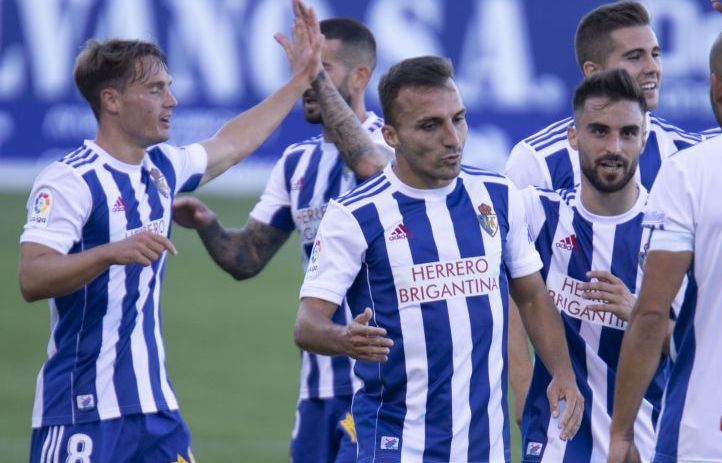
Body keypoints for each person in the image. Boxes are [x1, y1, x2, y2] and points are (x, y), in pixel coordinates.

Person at [17, 2, 322, 461]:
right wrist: (110, 252)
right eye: (156, 89)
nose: (172, 101)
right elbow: (32, 277)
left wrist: (299, 82)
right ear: (112, 100)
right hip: (83, 411)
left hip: (156, 411)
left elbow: (234, 143)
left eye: (170, 88)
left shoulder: (162, 168)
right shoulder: (69, 180)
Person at [293, 55, 584, 463]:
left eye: (458, 119)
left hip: (486, 449)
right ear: (391, 136)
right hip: (396, 446)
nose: (453, 138)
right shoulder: (356, 214)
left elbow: (532, 296)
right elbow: (307, 325)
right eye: (431, 125)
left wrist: (561, 373)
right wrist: (343, 338)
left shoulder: (498, 196)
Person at [171, 11, 392, 463]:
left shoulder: (392, 145)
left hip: (379, 382)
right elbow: (245, 258)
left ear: (362, 75)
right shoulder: (296, 164)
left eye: (321, 69)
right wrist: (208, 225)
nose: (308, 82)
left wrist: (309, 75)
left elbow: (369, 167)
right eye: (302, 71)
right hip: (317, 390)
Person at [503, 1, 713, 427]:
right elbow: (516, 294)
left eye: (655, 53)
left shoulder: (690, 156)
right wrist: (528, 404)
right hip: (565, 414)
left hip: (659, 406)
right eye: (634, 57)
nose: (652, 67)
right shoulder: (538, 159)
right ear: (593, 71)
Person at [518, 68, 685, 462]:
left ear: (644, 138)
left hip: (645, 444)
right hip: (555, 442)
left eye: (628, 133)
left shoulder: (674, 231)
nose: (615, 147)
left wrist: (642, 315)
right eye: (599, 131)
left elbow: (702, 345)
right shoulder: (536, 211)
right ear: (573, 137)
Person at [608, 33, 722, 463]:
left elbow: (653, 314)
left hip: (705, 432)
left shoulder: (690, 172)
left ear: (716, 86)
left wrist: (621, 433)